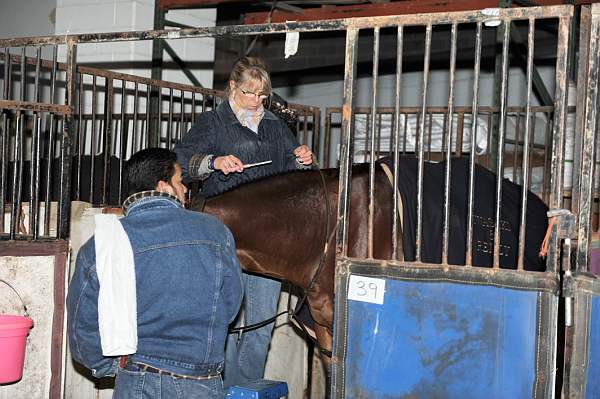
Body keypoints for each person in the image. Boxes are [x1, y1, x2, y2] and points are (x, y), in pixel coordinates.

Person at [174, 56, 313, 387]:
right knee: (223, 316)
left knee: (262, 320)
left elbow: (293, 175)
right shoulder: (212, 123)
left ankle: (244, 389)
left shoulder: (276, 127)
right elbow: (180, 160)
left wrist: (303, 161)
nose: (257, 101)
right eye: (250, 93)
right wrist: (214, 161)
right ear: (232, 88)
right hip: (226, 229)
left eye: (263, 96)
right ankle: (227, 385)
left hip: (269, 233)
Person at [67, 148, 243, 398]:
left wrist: (109, 366)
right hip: (200, 379)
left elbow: (82, 326)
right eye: (181, 181)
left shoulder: (103, 243)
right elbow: (231, 305)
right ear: (164, 186)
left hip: (138, 377)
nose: (185, 190)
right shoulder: (215, 232)